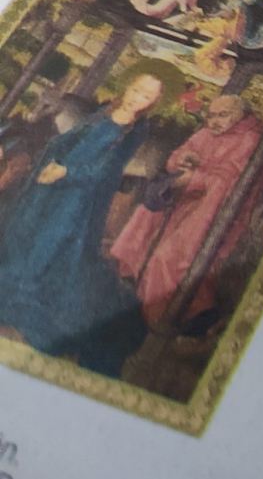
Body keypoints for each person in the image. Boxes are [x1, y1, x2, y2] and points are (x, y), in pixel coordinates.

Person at [0, 66, 166, 375]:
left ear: (153, 102)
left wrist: (68, 172)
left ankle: (32, 310)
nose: (137, 98)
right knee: (23, 235)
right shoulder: (108, 110)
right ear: (128, 86)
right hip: (50, 185)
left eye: (146, 96)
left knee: (52, 246)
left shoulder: (133, 128)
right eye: (136, 89)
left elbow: (108, 169)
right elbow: (72, 140)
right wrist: (51, 161)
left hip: (78, 196)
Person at [111, 94, 263, 330]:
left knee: (170, 258)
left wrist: (194, 179)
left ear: (240, 116)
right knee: (142, 224)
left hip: (212, 212)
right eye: (211, 115)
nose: (214, 121)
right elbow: (177, 156)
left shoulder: (249, 140)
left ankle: (164, 317)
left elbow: (231, 182)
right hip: (183, 201)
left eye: (222, 115)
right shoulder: (207, 132)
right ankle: (130, 290)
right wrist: (182, 160)